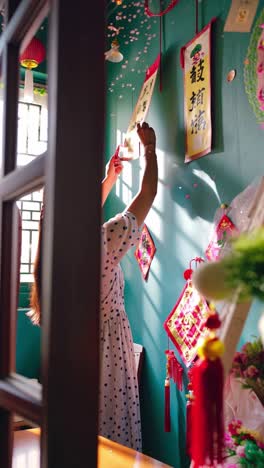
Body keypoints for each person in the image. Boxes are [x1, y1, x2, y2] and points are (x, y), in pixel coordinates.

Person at [29, 122, 158, 451]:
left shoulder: (53, 246)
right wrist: (150, 150)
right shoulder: (101, 241)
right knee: (113, 440)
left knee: (84, 438)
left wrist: (109, 179)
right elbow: (148, 195)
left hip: (75, 354)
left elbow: (76, 218)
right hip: (108, 353)